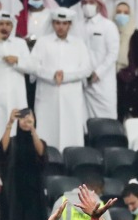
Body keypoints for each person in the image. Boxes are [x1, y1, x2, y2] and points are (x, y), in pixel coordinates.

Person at [32, 9, 93, 149]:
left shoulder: (78, 43)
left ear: (69, 25)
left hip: (71, 97)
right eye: (57, 23)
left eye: (64, 23)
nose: (61, 27)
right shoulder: (42, 42)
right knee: (46, 130)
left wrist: (65, 76)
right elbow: (33, 66)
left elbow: (87, 69)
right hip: (47, 95)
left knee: (71, 131)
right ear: (52, 24)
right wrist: (51, 75)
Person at [0, 13, 33, 142]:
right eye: (1, 24)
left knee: (17, 136)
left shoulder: (20, 43)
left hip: (16, 97)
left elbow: (31, 67)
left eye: (8, 24)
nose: (5, 27)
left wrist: (17, 61)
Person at [79, 0, 120, 120]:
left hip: (103, 81)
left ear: (98, 4)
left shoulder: (108, 26)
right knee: (86, 121)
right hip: (84, 82)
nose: (87, 5)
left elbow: (113, 53)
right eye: (84, 2)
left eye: (91, 2)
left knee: (107, 119)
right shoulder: (78, 27)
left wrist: (98, 72)